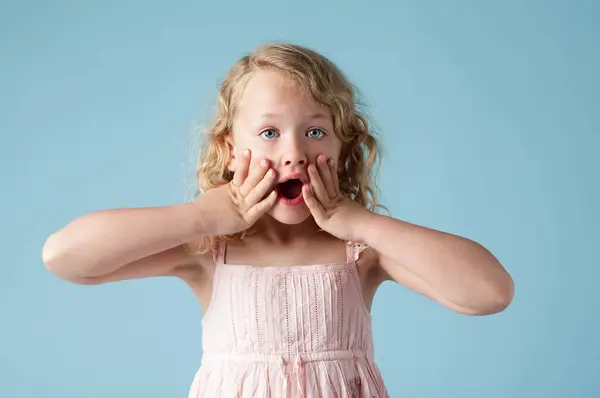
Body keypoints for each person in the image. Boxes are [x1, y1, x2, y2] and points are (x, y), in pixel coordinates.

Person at [42, 42, 514, 397]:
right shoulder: (209, 252)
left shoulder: (363, 254)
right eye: (268, 132)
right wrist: (203, 216)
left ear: (341, 148)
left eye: (315, 131)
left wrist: (362, 223)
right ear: (229, 149)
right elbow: (66, 258)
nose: (293, 154)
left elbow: (490, 293)